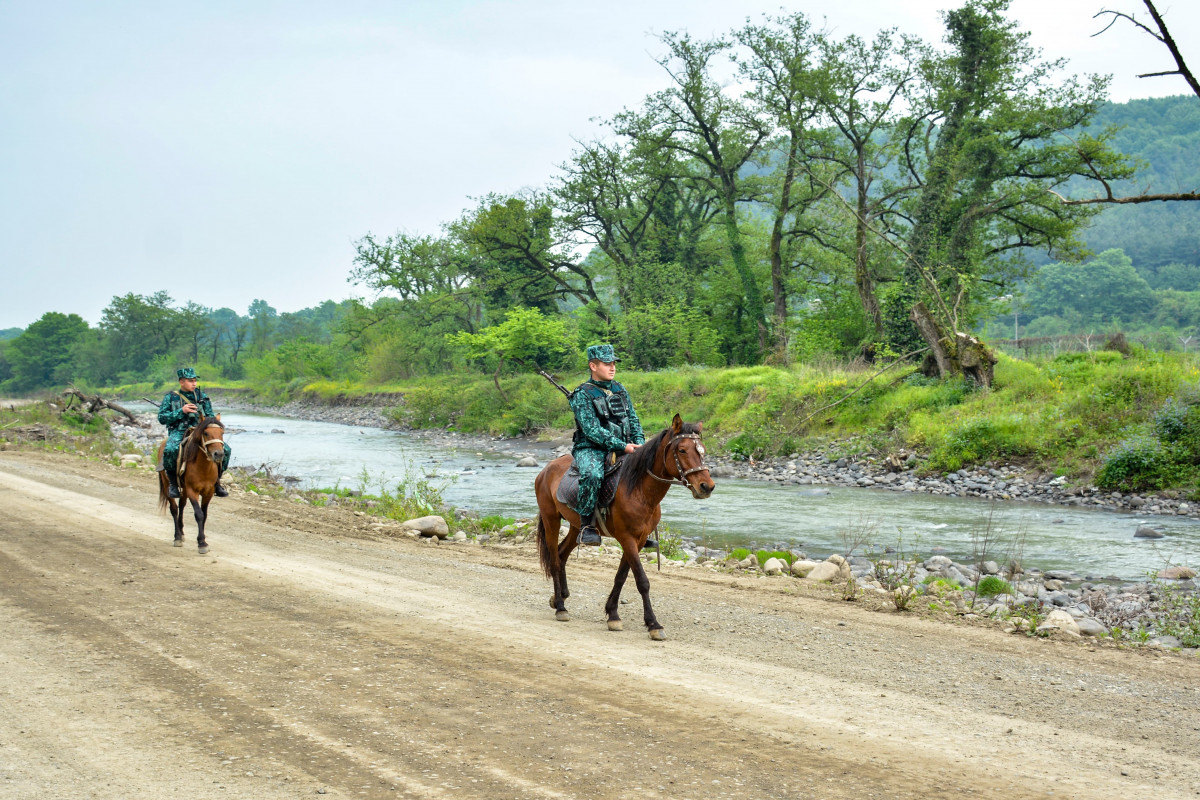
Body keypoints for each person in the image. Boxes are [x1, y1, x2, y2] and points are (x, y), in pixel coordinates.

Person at [569, 343, 653, 547]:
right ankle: (586, 526)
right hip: (591, 448)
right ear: (593, 366)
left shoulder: (620, 389)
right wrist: (622, 446)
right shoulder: (582, 394)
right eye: (607, 364)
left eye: (613, 363)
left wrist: (640, 444)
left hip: (626, 445)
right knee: (592, 475)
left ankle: (640, 526)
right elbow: (592, 430)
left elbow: (633, 419)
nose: (612, 367)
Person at [158, 367, 231, 499]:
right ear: (181, 382)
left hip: (201, 431)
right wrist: (182, 411)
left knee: (226, 449)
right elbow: (162, 418)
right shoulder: (170, 397)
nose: (194, 383)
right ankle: (173, 484)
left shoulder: (202, 396)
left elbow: (211, 417)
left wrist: (206, 421)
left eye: (195, 381)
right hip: (179, 430)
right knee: (170, 449)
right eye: (190, 381)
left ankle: (217, 482)